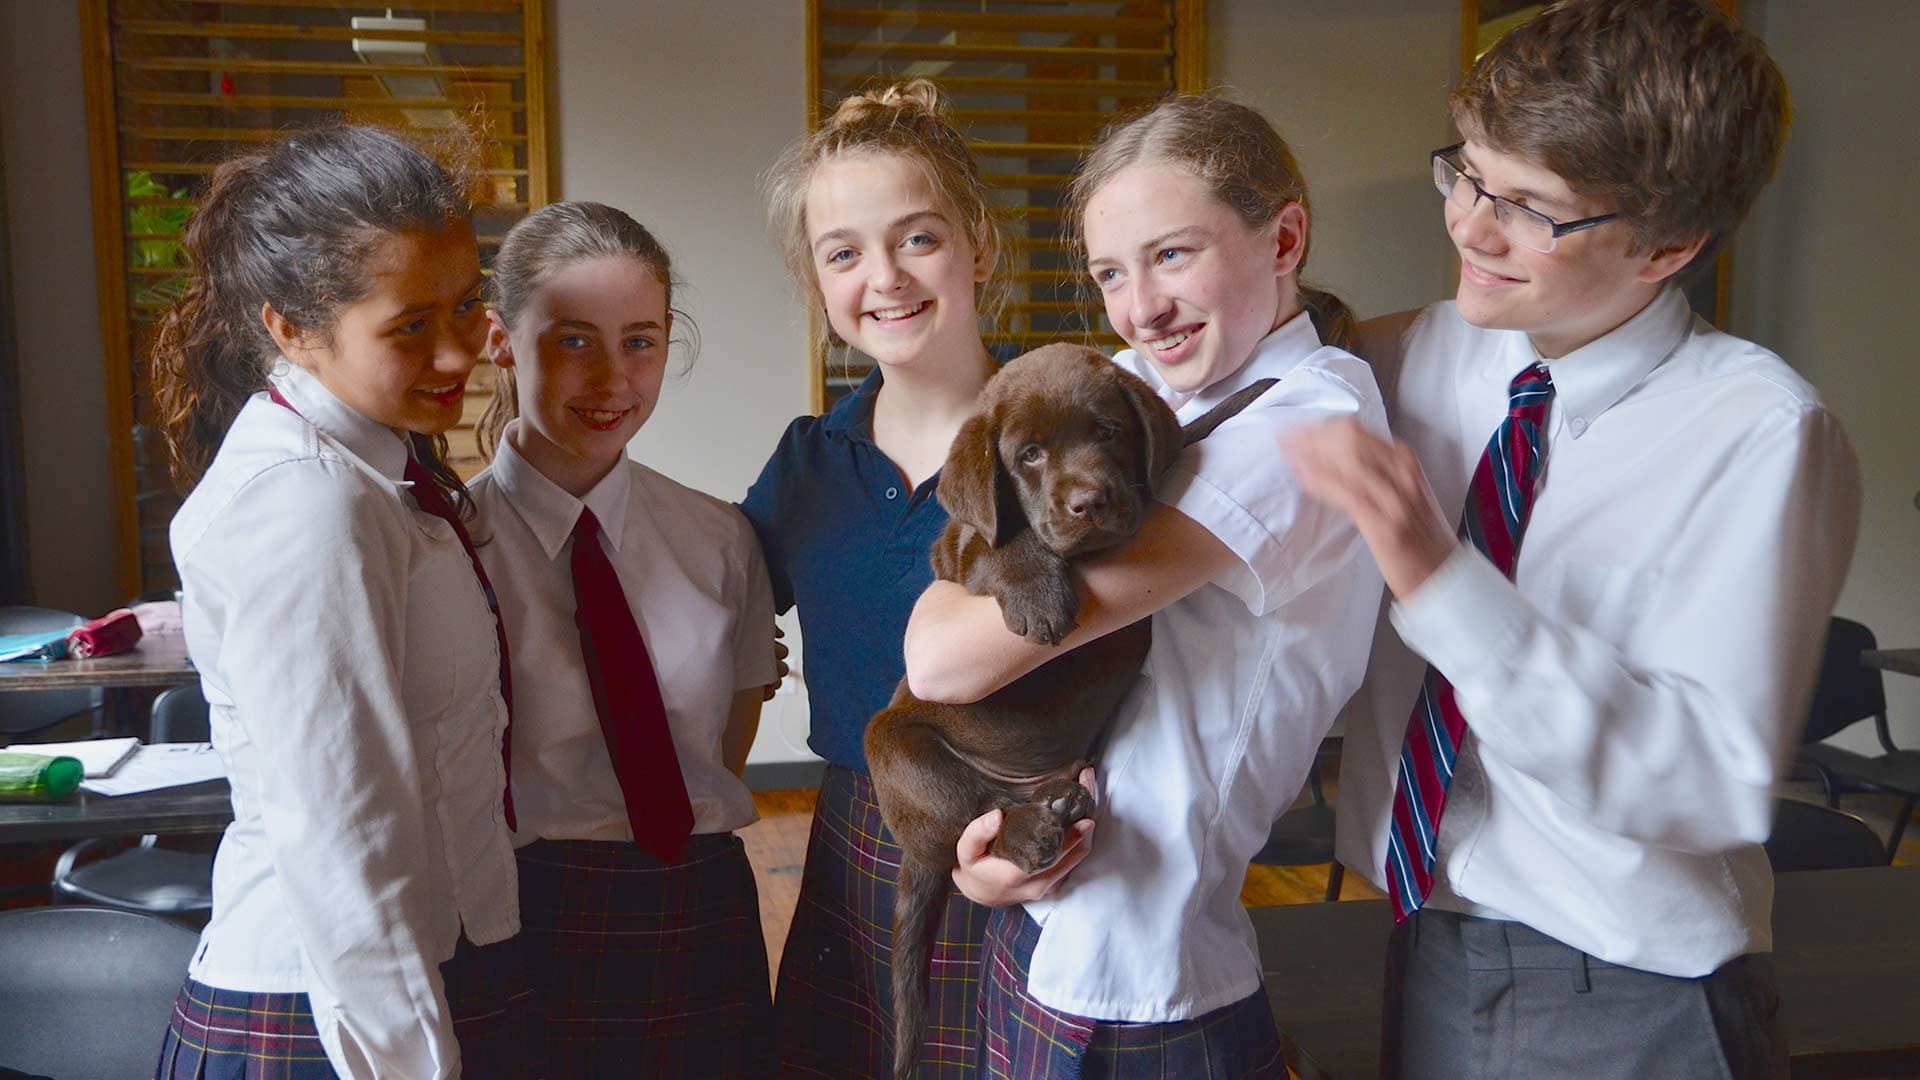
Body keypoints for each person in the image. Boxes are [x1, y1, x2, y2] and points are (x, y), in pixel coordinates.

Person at [1283, 2, 1863, 1077]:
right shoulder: (1408, 356)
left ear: (1671, 245)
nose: (1468, 226)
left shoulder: (1761, 434)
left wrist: (1437, 574)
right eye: (1466, 173)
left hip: (1631, 993)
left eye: (1531, 209)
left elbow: (1701, 782)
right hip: (1422, 942)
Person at [903, 94, 1387, 1079]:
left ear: (1285, 234)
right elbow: (957, 559)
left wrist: (971, 584)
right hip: (1052, 917)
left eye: (1174, 255)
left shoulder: (1304, 425)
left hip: (1151, 973)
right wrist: (984, 854)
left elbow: (943, 653)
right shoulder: (1146, 387)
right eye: (1111, 273)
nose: (1141, 308)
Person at [147, 124, 525, 1078]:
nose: (458, 353)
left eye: (467, 306)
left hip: (392, 985)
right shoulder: (307, 499)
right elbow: (343, 830)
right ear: (289, 326)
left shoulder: (371, 464)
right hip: (322, 1017)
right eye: (409, 326)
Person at [469, 201, 779, 1077]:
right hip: (519, 911)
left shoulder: (719, 539)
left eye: (639, 341)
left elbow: (729, 737)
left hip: (697, 901)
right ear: (501, 340)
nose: (611, 378)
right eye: (572, 340)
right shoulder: (446, 547)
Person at [741, 78, 1011, 1077]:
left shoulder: (1055, 435)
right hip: (857, 832)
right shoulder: (811, 460)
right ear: (817, 283)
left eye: (918, 238)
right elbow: (700, 598)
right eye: (843, 252)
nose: (884, 277)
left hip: (1027, 835)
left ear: (978, 243)